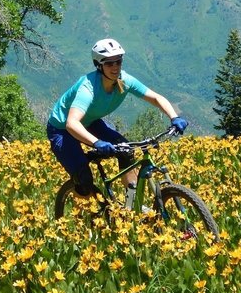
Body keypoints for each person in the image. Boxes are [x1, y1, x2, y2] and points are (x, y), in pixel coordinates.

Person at [46, 38, 188, 196]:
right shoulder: (88, 88)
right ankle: (85, 213)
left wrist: (174, 117)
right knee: (84, 179)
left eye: (118, 62)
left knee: (126, 150)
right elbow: (71, 124)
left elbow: (155, 98)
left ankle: (131, 204)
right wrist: (96, 142)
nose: (115, 67)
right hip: (61, 130)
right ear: (99, 65)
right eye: (109, 63)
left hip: (90, 122)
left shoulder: (125, 80)